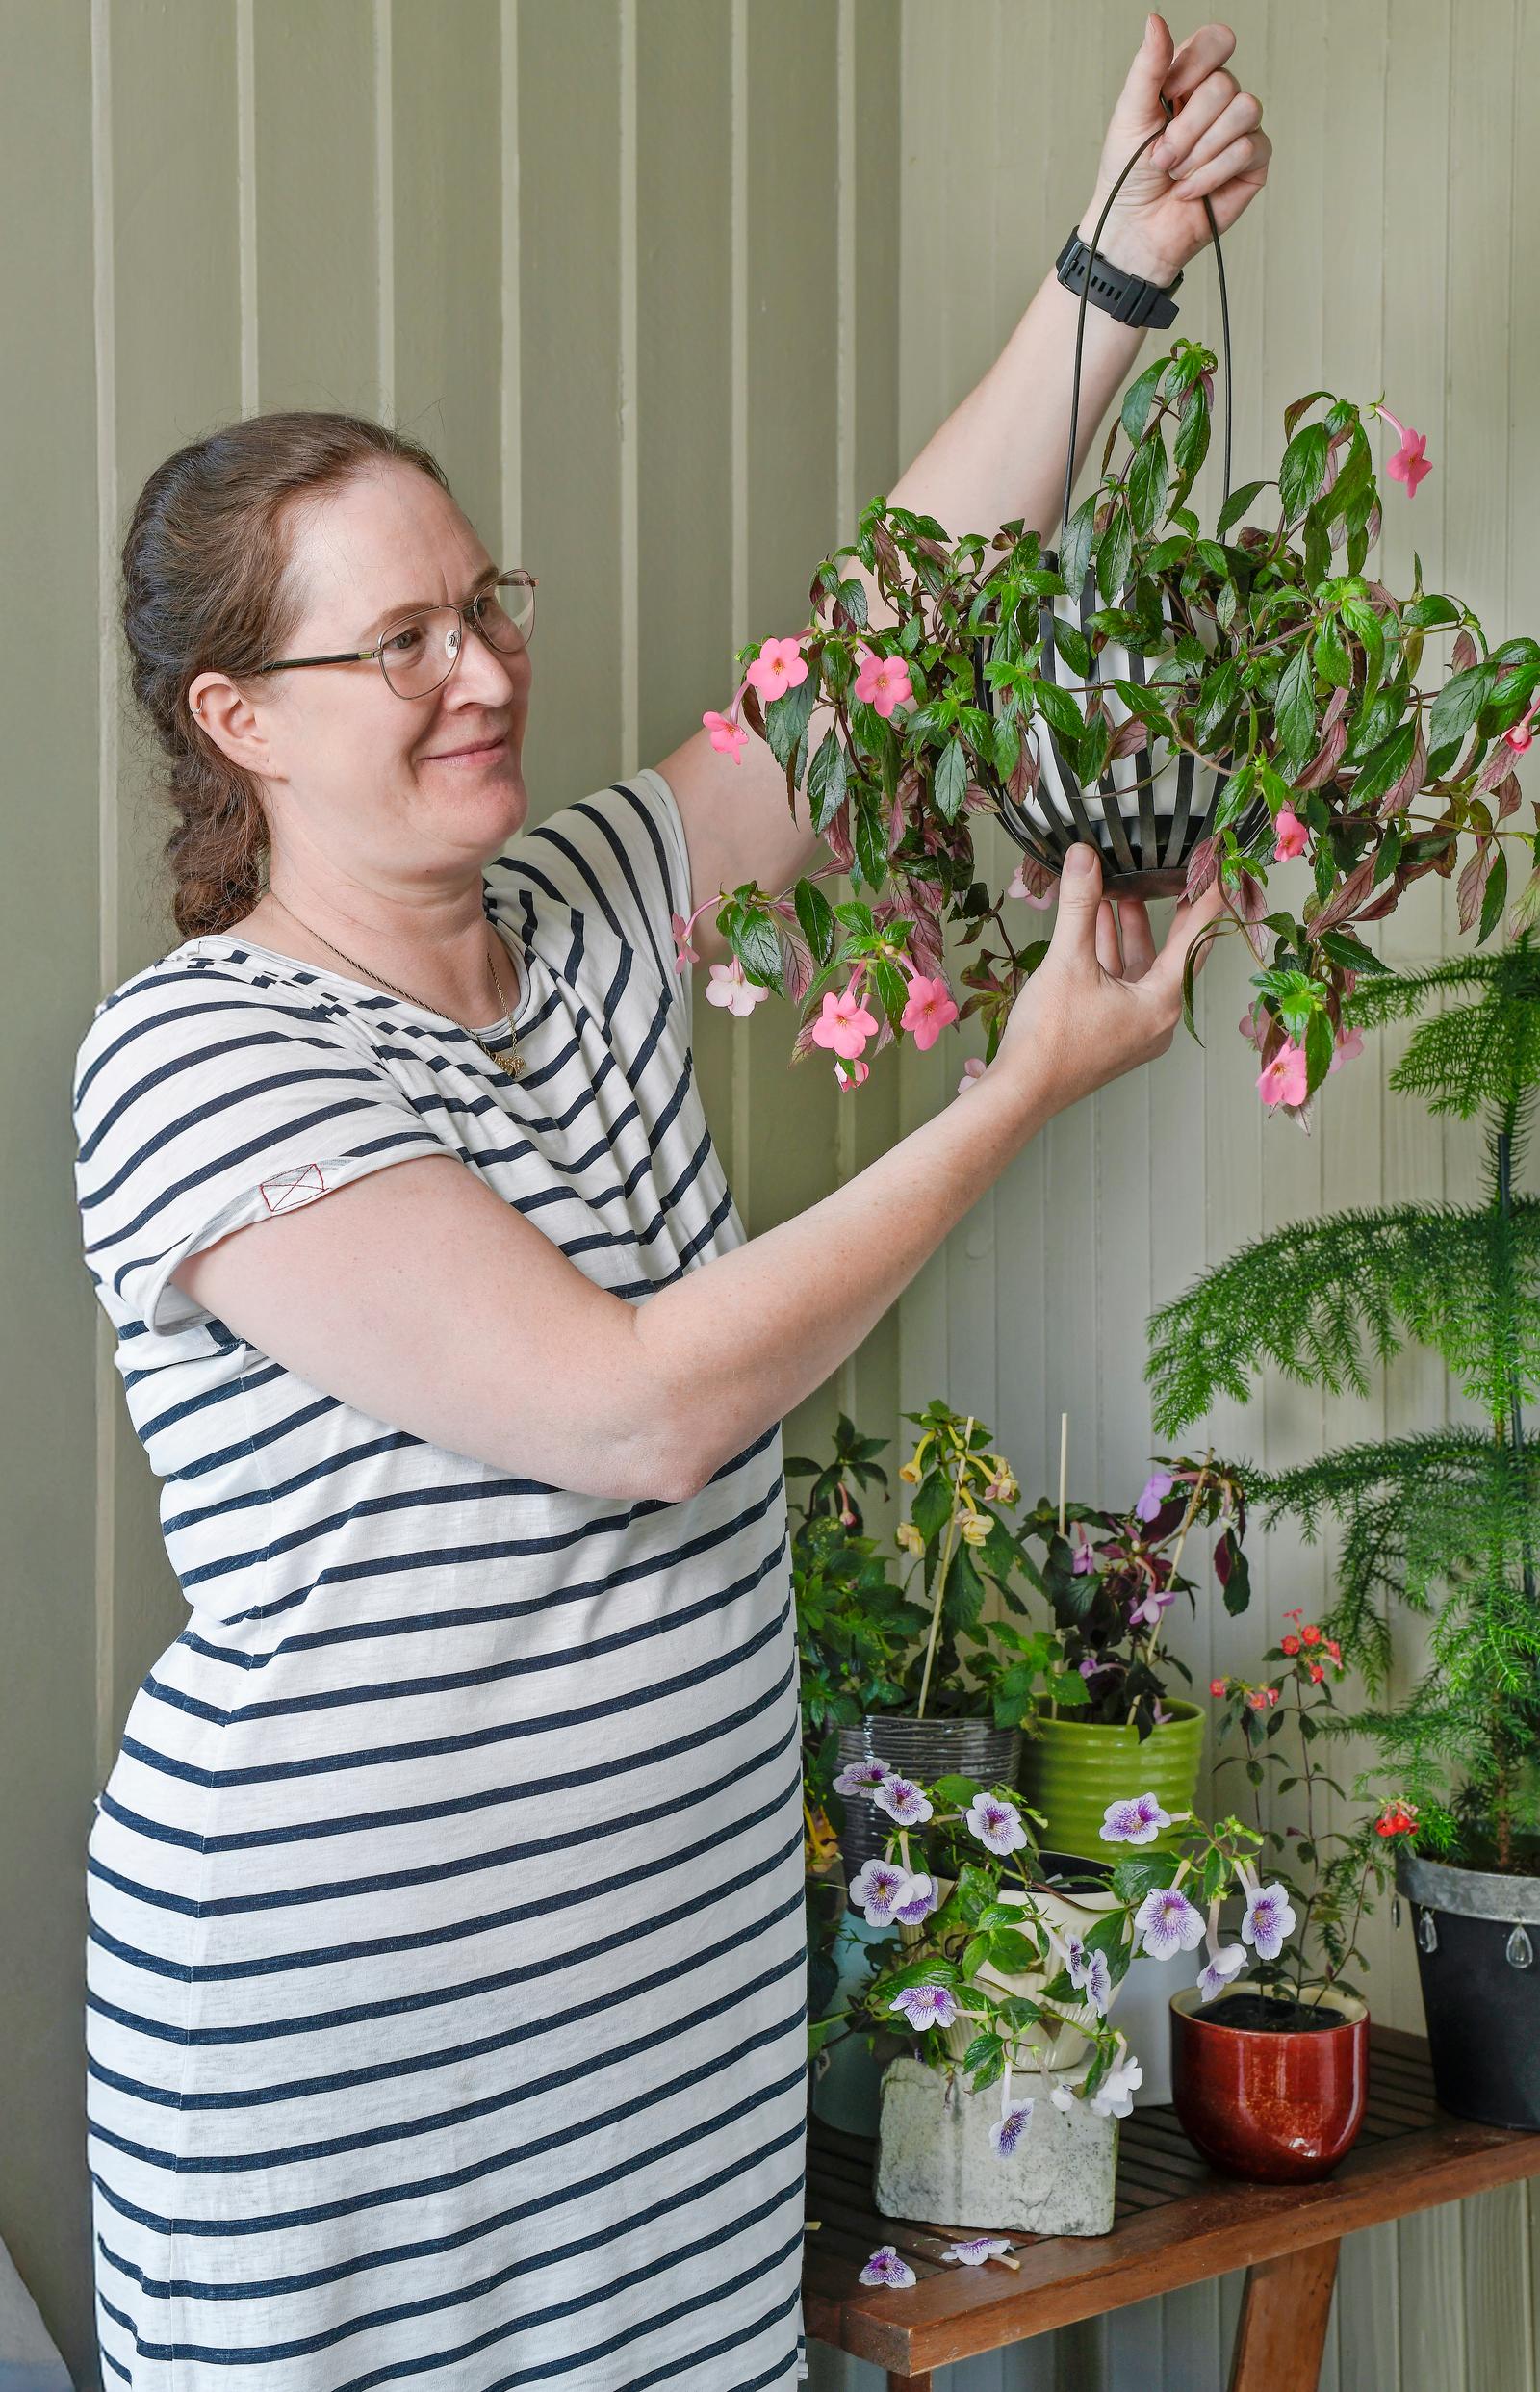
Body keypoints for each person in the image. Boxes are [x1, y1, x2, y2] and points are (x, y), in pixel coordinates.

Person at [69, 17, 1267, 2385]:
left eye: (479, 601)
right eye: (394, 640)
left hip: (656, 2020)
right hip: (350, 2072)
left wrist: (1107, 277)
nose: (482, 667)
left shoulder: (598, 901)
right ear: (240, 721)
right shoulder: (201, 1052)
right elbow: (631, 1411)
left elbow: (876, 639)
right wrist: (1016, 1088)